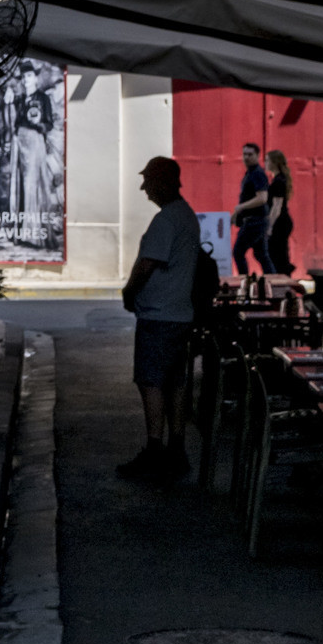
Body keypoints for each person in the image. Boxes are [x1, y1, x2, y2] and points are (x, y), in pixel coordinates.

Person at [118, 153, 202, 483]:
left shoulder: (166, 220)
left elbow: (146, 264)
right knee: (175, 382)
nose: (144, 189)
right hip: (180, 314)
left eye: (148, 181)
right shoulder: (187, 216)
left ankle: (155, 449)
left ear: (163, 182)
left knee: (152, 381)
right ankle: (176, 449)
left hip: (159, 315)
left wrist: (129, 292)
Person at [232, 140, 271, 277]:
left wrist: (241, 207)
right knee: (261, 254)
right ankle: (274, 281)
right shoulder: (250, 173)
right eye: (244, 154)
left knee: (238, 252)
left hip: (255, 221)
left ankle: (245, 281)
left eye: (250, 154)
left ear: (258, 156)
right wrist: (237, 214)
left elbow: (262, 198)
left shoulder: (257, 173)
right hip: (255, 220)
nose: (246, 157)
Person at [266, 147, 295, 277]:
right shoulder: (278, 180)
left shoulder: (279, 181)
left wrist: (269, 226)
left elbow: (276, 207)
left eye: (267, 160)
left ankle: (284, 281)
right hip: (281, 222)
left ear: (274, 162)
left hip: (280, 223)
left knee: (278, 256)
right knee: (279, 254)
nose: (265, 163)